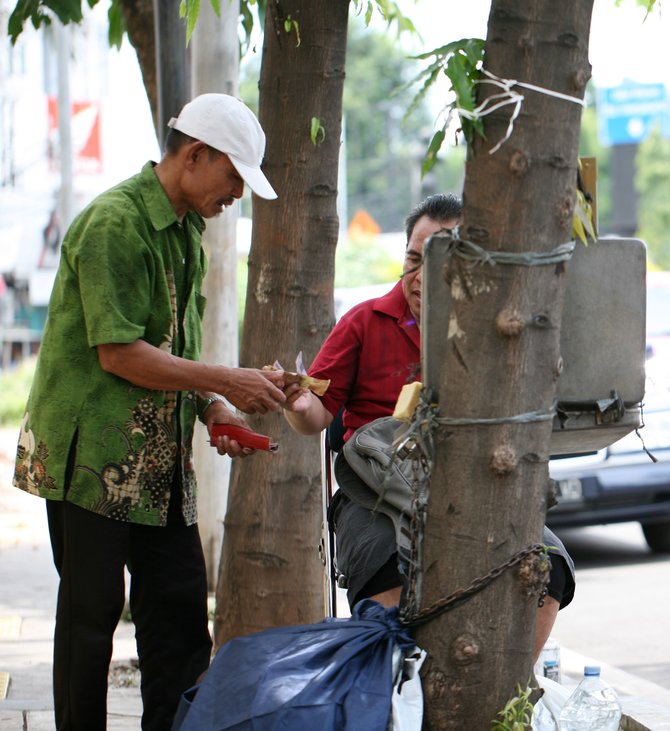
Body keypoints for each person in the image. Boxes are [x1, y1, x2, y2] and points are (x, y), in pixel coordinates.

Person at [12, 93, 289, 731]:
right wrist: (226, 378)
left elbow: (177, 351)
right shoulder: (115, 222)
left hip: (159, 465)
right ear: (196, 155)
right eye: (233, 178)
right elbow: (120, 354)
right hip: (92, 459)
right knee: (91, 619)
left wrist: (216, 405)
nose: (236, 197)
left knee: (181, 611)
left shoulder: (189, 231)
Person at [283, 193, 575, 661]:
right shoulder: (364, 321)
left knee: (548, 567)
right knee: (388, 566)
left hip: (473, 488)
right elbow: (314, 417)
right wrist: (297, 402)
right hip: (374, 494)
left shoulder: (496, 331)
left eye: (439, 261)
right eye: (413, 260)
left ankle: (508, 691)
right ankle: (393, 695)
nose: (419, 277)